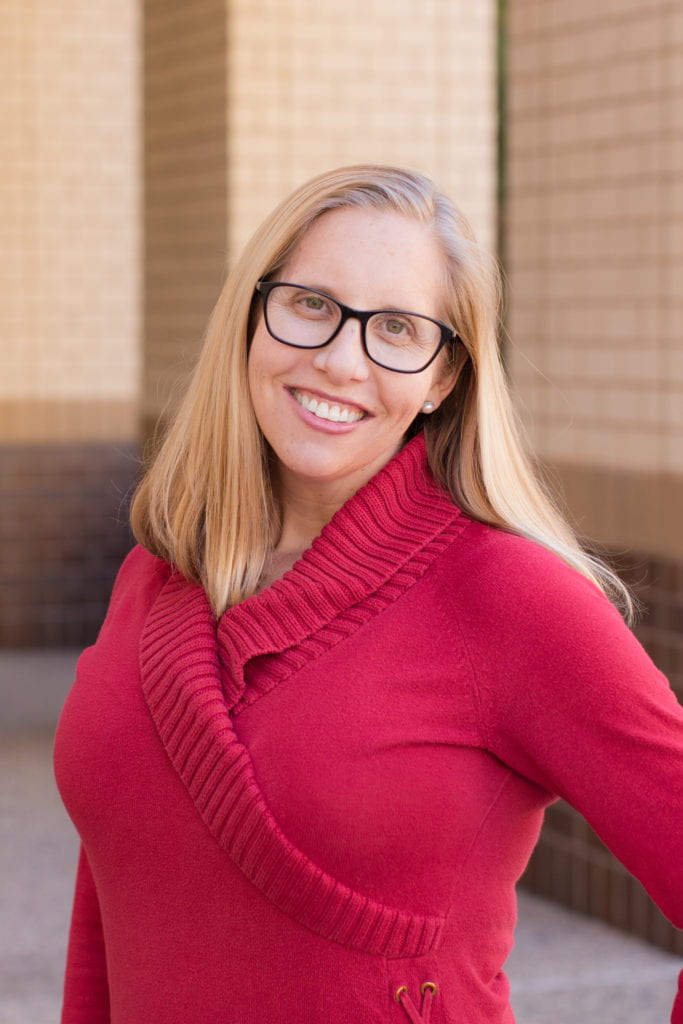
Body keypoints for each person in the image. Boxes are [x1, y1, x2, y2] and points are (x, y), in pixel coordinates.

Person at [54, 165, 683, 1024]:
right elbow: (116, 891)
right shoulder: (156, 577)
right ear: (251, 315)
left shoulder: (510, 598)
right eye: (310, 304)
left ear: (443, 377)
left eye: (395, 328)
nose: (341, 360)